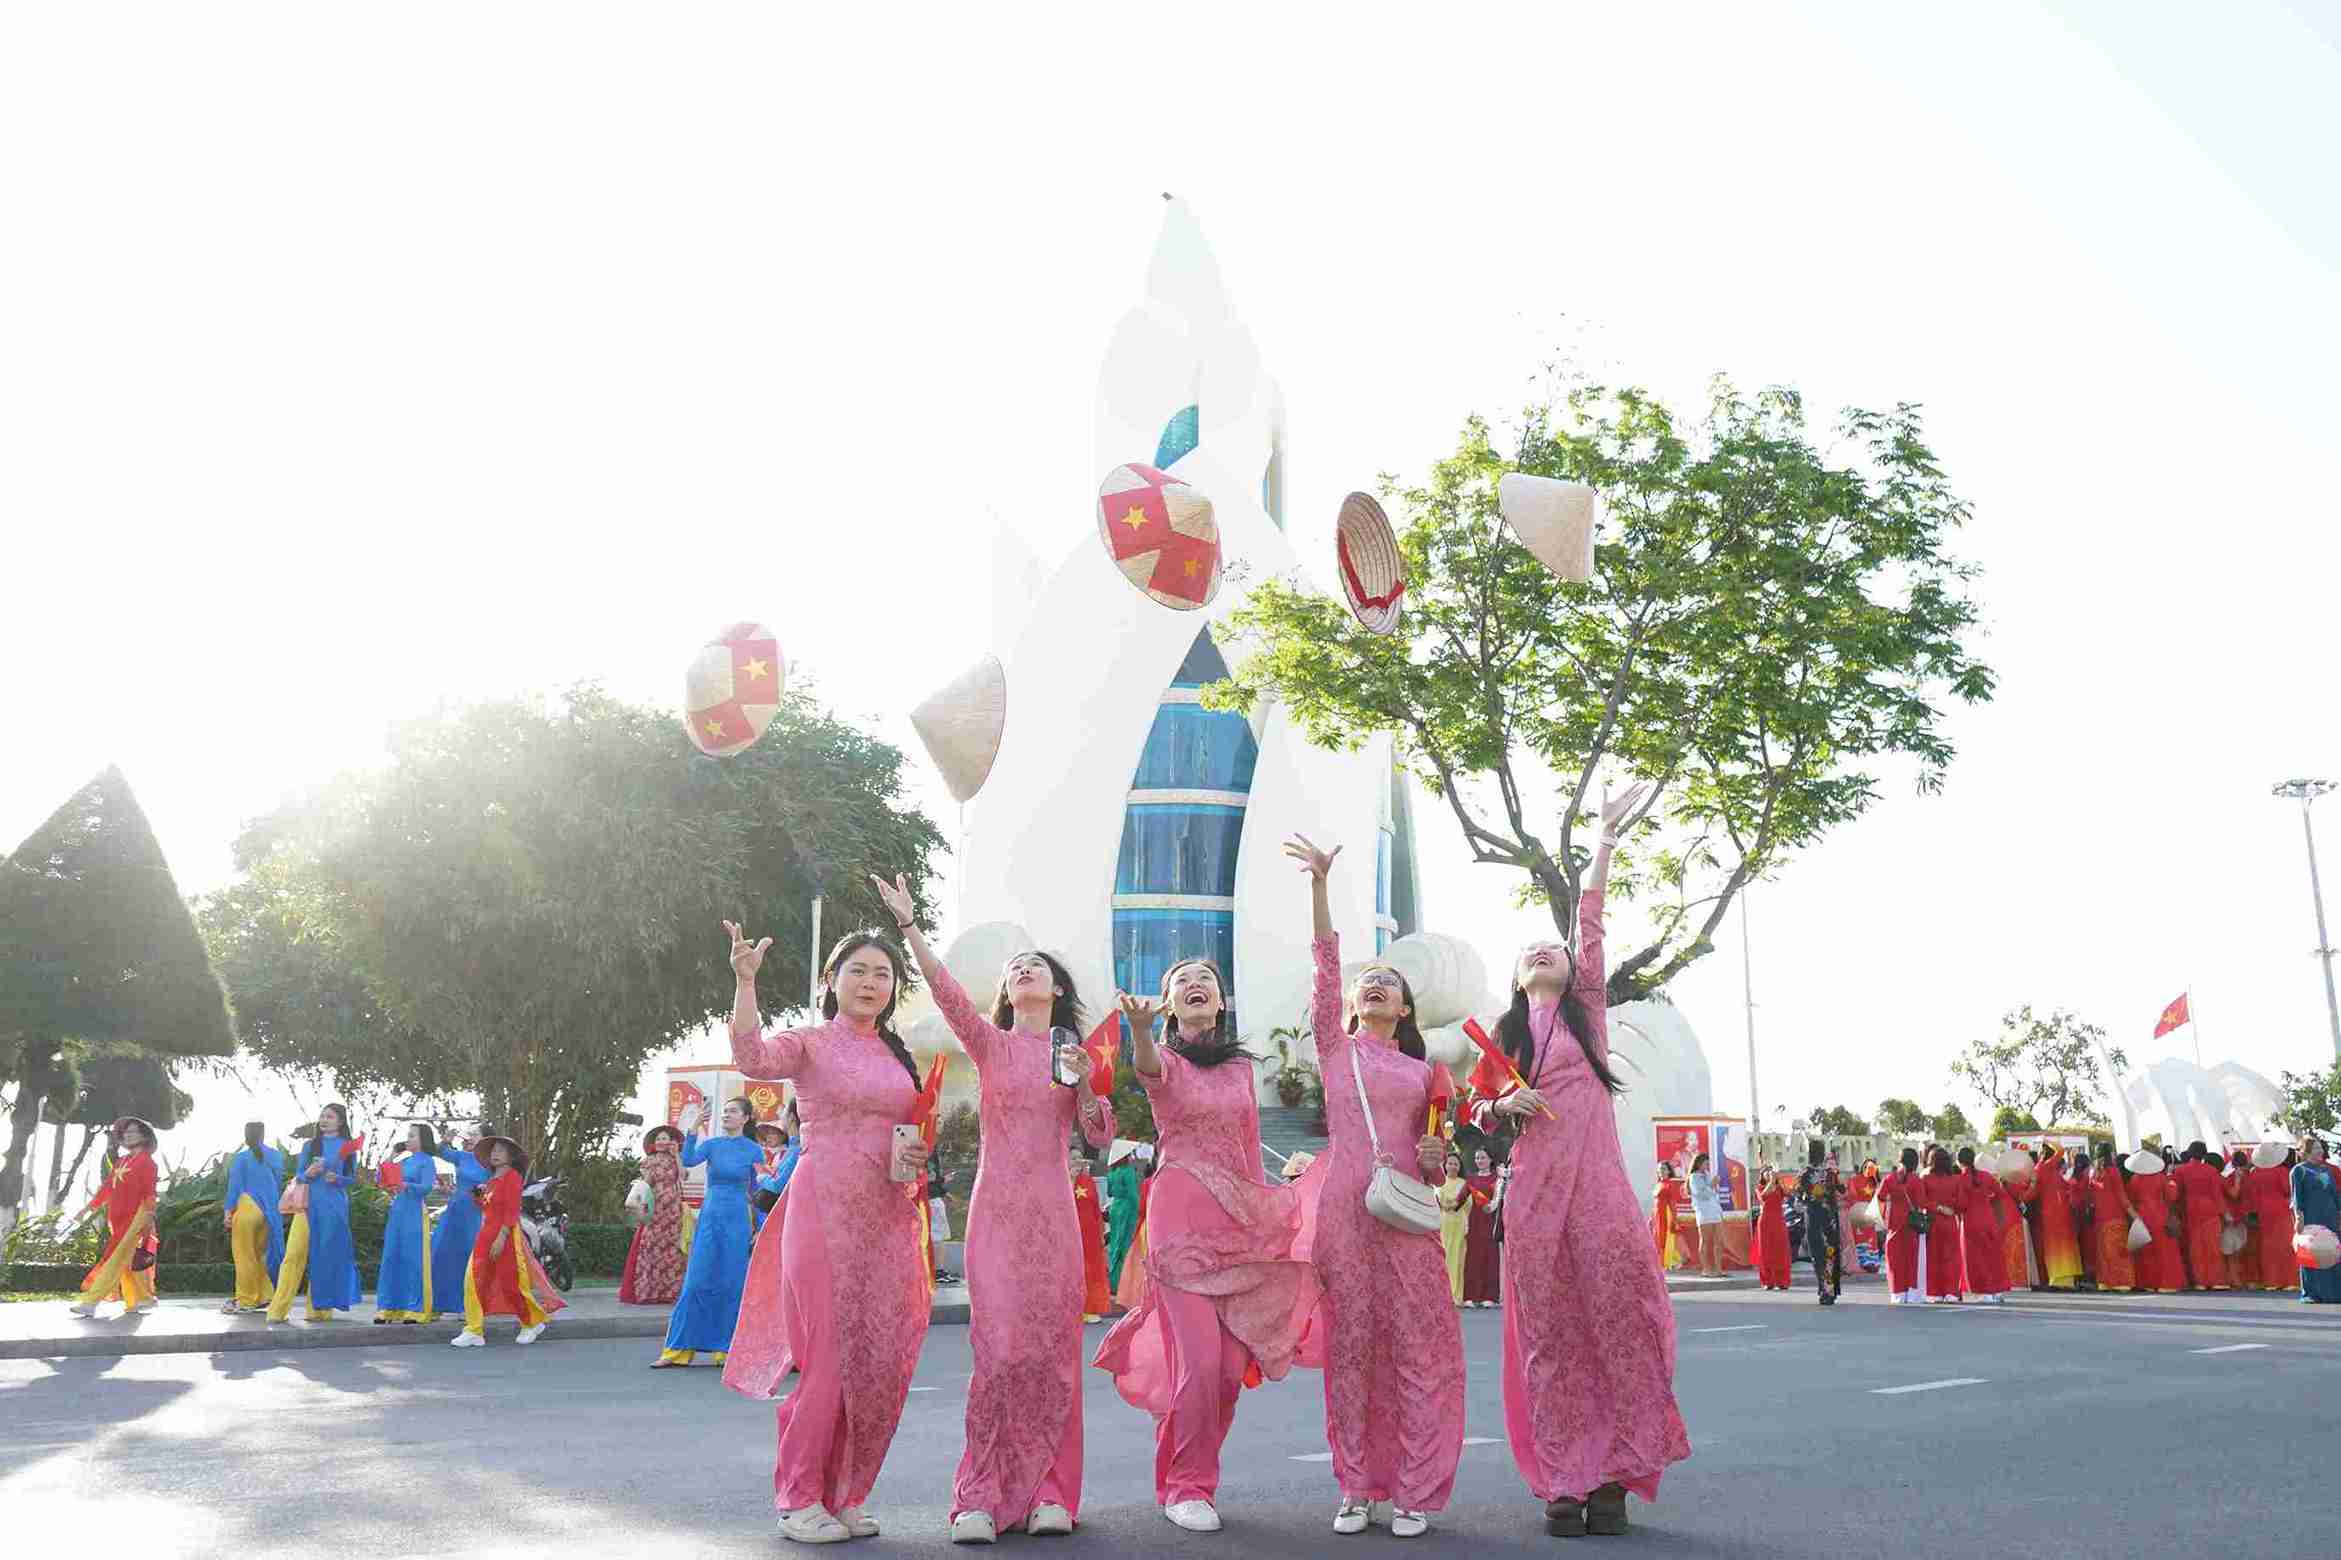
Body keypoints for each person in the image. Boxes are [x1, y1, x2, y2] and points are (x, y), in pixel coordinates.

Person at [1472, 783, 1689, 1539]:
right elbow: (1471, 1118)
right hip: (1531, 1195)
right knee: (1549, 1337)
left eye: (1553, 947)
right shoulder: (1499, 1042)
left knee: (1619, 1324)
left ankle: (1615, 1478)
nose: (1544, 949)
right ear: (1513, 976)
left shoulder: (1586, 1017)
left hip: (1596, 1190)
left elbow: (1590, 929)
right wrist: (1501, 1106)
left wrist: (1601, 840)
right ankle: (1564, 1478)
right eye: (1528, 950)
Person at [875, 874, 1116, 1544]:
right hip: (995, 1216)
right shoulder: (990, 1044)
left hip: (1053, 1216)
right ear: (1006, 993)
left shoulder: (1073, 1054)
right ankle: (977, 1494)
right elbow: (950, 998)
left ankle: (1050, 1492)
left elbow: (1096, 1136)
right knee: (1000, 1353)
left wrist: (1088, 1085)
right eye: (1015, 969)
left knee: (1051, 1354)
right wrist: (909, 928)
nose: (1023, 971)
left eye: (1035, 965)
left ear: (1057, 989)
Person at [718, 925, 932, 1546]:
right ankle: (799, 1496)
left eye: (883, 975)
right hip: (824, 1208)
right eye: (858, 971)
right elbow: (752, 1056)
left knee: (876, 1362)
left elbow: (909, 1129)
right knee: (831, 1359)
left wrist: (917, 1154)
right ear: (831, 981)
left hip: (889, 1213)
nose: (871, 983)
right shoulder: (809, 1043)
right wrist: (746, 981)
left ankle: (844, 1493)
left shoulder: (898, 1055)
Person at [1093, 960, 1320, 1536]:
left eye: (1207, 981)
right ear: (1170, 1004)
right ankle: (1187, 1485)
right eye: (1183, 982)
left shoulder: (1242, 1067)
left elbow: (1250, 1144)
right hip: (1179, 1218)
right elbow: (1147, 1069)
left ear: (1221, 1002)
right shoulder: (1164, 1058)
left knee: (1227, 1368)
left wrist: (1267, 1219)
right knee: (1198, 1359)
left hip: (1237, 1222)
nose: (1197, 986)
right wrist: (1141, 1030)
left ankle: (1185, 1460)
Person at [1281, 834, 1463, 1539]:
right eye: (1369, 981)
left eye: (1391, 982)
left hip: (1405, 1220)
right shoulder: (1333, 1051)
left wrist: (1433, 1153)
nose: (1376, 984)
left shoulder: (1423, 1076)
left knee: (1416, 1351)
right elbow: (1324, 968)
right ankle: (1355, 1486)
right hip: (1343, 1215)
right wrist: (1320, 886)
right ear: (1355, 1004)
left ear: (1405, 1010)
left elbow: (1436, 1169)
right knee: (1351, 1352)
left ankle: (1413, 1490)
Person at [654, 1094, 763, 1368]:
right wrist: (693, 1129)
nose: (726, 1115)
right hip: (711, 1216)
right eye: (724, 1111)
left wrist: (761, 1227)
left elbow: (760, 1191)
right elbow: (689, 1160)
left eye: (733, 1111)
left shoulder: (753, 1150)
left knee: (731, 1282)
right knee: (696, 1280)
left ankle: (725, 1350)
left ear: (745, 1118)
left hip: (738, 1218)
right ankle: (677, 1351)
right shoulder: (712, 1145)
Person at [450, 1133, 564, 1346]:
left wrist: (501, 1237)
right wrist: (478, 1196)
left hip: (506, 1237)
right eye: (493, 1150)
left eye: (500, 1151)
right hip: (485, 1235)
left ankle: (532, 1322)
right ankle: (474, 1329)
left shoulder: (513, 1178)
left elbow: (511, 1211)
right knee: (473, 1281)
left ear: (511, 1157)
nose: (495, 1154)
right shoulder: (491, 1181)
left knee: (511, 1284)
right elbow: (486, 1207)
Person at [268, 1104, 363, 1324]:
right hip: (307, 1206)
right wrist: (308, 1173)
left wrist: (337, 1179)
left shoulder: (348, 1147)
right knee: (293, 1255)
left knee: (325, 1257)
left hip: (334, 1208)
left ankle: (319, 1310)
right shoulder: (311, 1145)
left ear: (340, 1121)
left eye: (330, 1116)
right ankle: (277, 1310)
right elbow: (299, 1176)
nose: (324, 1120)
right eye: (322, 1115)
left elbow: (351, 1178)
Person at [69, 1118, 162, 1318]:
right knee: (126, 1260)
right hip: (116, 1220)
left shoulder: (147, 1162)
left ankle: (91, 1301)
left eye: (133, 1132)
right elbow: (106, 1190)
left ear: (145, 1136)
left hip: (136, 1217)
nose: (128, 1135)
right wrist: (86, 1209)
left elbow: (150, 1193)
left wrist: (148, 1217)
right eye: (126, 1132)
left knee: (114, 1259)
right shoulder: (122, 1161)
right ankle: (139, 1300)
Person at [374, 1123, 443, 1323]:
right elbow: (381, 1178)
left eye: (412, 1136)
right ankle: (388, 1306)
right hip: (397, 1212)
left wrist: (407, 1185)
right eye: (408, 1135)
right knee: (391, 1257)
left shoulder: (427, 1161)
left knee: (413, 1259)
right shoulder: (404, 1161)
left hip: (414, 1212)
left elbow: (427, 1187)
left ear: (423, 1139)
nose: (408, 1139)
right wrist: (392, 1154)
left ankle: (416, 1308)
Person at [620, 1124, 693, 1307]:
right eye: (659, 1139)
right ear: (654, 1143)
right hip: (655, 1207)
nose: (662, 1142)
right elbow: (645, 1185)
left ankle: (670, 1292)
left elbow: (683, 1176)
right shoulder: (648, 1161)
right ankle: (648, 1291)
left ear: (671, 1141)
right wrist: (641, 1206)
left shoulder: (676, 1158)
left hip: (674, 1208)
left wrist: (677, 1156)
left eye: (665, 1138)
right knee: (651, 1246)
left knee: (672, 1248)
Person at [425, 1124, 494, 1316]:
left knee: (467, 1258)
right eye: (469, 1134)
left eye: (474, 1134)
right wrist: (446, 1138)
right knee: (439, 1253)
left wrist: (481, 1191)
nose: (469, 1138)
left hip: (473, 1214)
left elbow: (493, 1188)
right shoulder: (462, 1156)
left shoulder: (490, 1163)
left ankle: (467, 1306)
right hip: (453, 1211)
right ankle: (438, 1304)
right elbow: (439, 1151)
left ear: (486, 1140)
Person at [220, 1121, 285, 1314]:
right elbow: (278, 1183)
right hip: (269, 1212)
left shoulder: (241, 1159)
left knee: (244, 1256)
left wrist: (228, 1212)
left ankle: (246, 1299)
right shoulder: (275, 1156)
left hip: (248, 1208)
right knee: (258, 1256)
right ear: (263, 1134)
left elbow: (235, 1187)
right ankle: (265, 1296)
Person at [2171, 1141, 2230, 1292]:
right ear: (2204, 1154)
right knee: (2212, 1246)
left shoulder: (2181, 1171)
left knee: (2196, 1248)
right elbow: (2217, 1195)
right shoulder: (2211, 1171)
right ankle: (2216, 1281)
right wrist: (2225, 1214)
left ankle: (2200, 1282)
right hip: (2210, 1210)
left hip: (2190, 1210)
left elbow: (2175, 1194)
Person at [2023, 1146, 2083, 1291]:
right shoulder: (2047, 1166)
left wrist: (2022, 1197)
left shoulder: (2042, 1168)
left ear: (2043, 1153)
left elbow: (2031, 1194)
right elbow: (2060, 1150)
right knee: (2062, 1244)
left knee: (2055, 1245)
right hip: (2059, 1211)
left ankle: (2059, 1279)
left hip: (2051, 1212)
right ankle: (2063, 1280)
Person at [1954, 1148, 2009, 1303]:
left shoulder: (1961, 1179)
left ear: (1959, 1162)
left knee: (1976, 1260)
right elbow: (2000, 1193)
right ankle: (1997, 1290)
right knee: (1992, 1256)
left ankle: (1985, 1292)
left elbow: (1961, 1204)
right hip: (1988, 1219)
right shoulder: (1985, 1176)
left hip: (1970, 1222)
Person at [2292, 1136, 2341, 1304]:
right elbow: (2297, 1197)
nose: (2320, 1151)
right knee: (2310, 1253)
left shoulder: (2326, 1170)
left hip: (2329, 1215)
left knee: (2331, 1252)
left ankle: (2333, 1292)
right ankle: (2311, 1292)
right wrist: (2299, 1218)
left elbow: (2335, 1194)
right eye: (2316, 1149)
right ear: (2305, 1152)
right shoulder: (2299, 1170)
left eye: (2321, 1148)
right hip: (2311, 1216)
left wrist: (2339, 1213)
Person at [2126, 1149, 2182, 1294]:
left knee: (2146, 1252)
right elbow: (2172, 1196)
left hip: (2142, 1217)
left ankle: (2148, 1283)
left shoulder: (2134, 1179)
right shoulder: (2160, 1177)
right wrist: (2171, 1179)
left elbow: (2130, 1199)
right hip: (2160, 1216)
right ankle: (2166, 1284)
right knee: (2165, 1251)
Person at [1792, 1142, 1840, 1303]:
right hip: (1830, 1218)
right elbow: (1841, 1191)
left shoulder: (1804, 1173)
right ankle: (1830, 1290)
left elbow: (1797, 1199)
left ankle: (1824, 1290)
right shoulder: (1831, 1173)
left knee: (1818, 1255)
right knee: (1830, 1254)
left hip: (1814, 1218)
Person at [1918, 1147, 1966, 1303]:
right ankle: (1951, 1291)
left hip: (1932, 1221)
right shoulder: (1955, 1180)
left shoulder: (1925, 1179)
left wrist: (1937, 1207)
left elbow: (1922, 1201)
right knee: (1951, 1258)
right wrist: (1950, 1208)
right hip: (1950, 1222)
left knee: (1932, 1258)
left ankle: (1934, 1292)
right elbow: (1961, 1203)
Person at [2087, 1151, 2138, 1294]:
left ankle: (2105, 1282)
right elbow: (2121, 1195)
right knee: (2119, 1251)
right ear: (2110, 1155)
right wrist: (2134, 1215)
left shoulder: (2093, 1173)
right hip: (2116, 1216)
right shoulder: (2113, 1171)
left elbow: (2091, 1196)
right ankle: (2122, 1282)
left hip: (2100, 1218)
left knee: (2104, 1252)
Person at [1459, 1147, 1504, 1305]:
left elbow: (1499, 1200)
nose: (1479, 1161)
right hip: (1474, 1222)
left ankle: (1489, 1296)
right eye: (1477, 1158)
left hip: (1490, 1222)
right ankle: (1470, 1296)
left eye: (1483, 1158)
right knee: (1472, 1258)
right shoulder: (1470, 1179)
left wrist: (1492, 1206)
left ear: (1490, 1160)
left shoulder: (1497, 1178)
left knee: (1490, 1258)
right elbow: (1460, 1199)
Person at [2249, 1146, 2297, 1292]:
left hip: (2263, 1211)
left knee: (2267, 1246)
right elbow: (2287, 1190)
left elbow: (2252, 1194)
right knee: (2285, 1245)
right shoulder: (2281, 1171)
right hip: (2280, 1209)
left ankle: (2271, 1281)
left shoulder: (2255, 1172)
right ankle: (2290, 1280)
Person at [1074, 1152, 1113, 1324]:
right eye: (1073, 1158)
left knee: (1092, 1271)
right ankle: (1073, 1308)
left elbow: (1096, 1208)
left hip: (1090, 1235)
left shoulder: (1088, 1181)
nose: (1077, 1161)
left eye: (1080, 1158)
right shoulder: (1060, 1180)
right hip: (1071, 1234)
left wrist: (1100, 1232)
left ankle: (1090, 1308)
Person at [1879, 1148, 1922, 1303]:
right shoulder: (1916, 1180)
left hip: (1894, 1223)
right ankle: (1911, 1292)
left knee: (1894, 1259)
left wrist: (1884, 1214)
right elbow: (1921, 1202)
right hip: (1911, 1224)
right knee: (1911, 1259)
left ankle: (1897, 1292)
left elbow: (1880, 1197)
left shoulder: (1890, 1178)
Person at [1104, 1139, 1144, 1292]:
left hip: (1115, 1207)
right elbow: (1133, 1194)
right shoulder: (1128, 1171)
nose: (1132, 1155)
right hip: (1127, 1209)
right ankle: (1124, 1283)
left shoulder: (1112, 1172)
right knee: (1126, 1244)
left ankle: (1113, 1282)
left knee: (1115, 1244)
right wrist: (1141, 1208)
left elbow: (1109, 1193)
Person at [1437, 1151, 1472, 1304]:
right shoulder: (1439, 1182)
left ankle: (1456, 1296)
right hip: (1443, 1222)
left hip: (1458, 1222)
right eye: (1449, 1163)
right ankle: (1442, 1294)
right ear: (1445, 1165)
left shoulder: (1464, 1184)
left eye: (1455, 1164)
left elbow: (1468, 1204)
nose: (1452, 1166)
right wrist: (1444, 1205)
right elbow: (1435, 1200)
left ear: (1459, 1167)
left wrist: (1455, 1205)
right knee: (1443, 1256)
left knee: (1458, 1258)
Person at [1686, 1153, 1724, 1278]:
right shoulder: (1693, 1177)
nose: (1707, 1165)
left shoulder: (1708, 1175)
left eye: (1708, 1163)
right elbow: (1701, 1194)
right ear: (1698, 1163)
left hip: (1715, 1211)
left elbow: (1714, 1193)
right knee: (1706, 1241)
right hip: (1704, 1212)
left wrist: (1714, 1185)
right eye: (1706, 1163)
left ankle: (1718, 1269)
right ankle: (1706, 1269)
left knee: (1719, 1241)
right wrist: (1712, 1185)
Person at [1649, 1162, 1684, 1271]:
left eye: (1664, 1169)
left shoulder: (1670, 1184)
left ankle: (1668, 1262)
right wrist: (1652, 1218)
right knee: (1658, 1239)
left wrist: (1674, 1219)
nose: (1661, 1171)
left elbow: (1672, 1203)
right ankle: (1669, 1261)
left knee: (1666, 1239)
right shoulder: (1658, 1184)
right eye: (1659, 1169)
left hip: (1666, 1214)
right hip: (1657, 1215)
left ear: (1669, 1171)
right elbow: (1655, 1203)